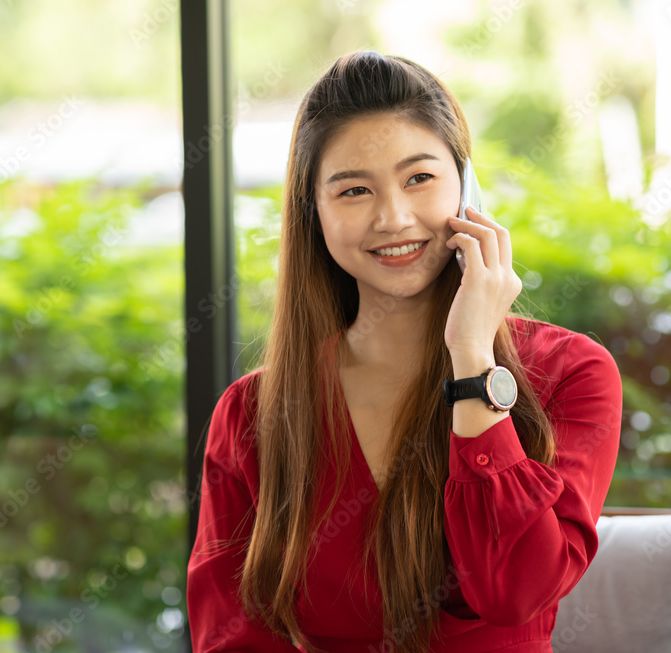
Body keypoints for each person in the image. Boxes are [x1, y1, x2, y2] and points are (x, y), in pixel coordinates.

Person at [186, 50, 623, 653]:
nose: (393, 217)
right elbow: (232, 639)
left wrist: (473, 360)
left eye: (419, 178)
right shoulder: (251, 413)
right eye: (354, 190)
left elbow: (513, 593)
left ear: (466, 187)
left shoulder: (570, 374)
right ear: (312, 212)